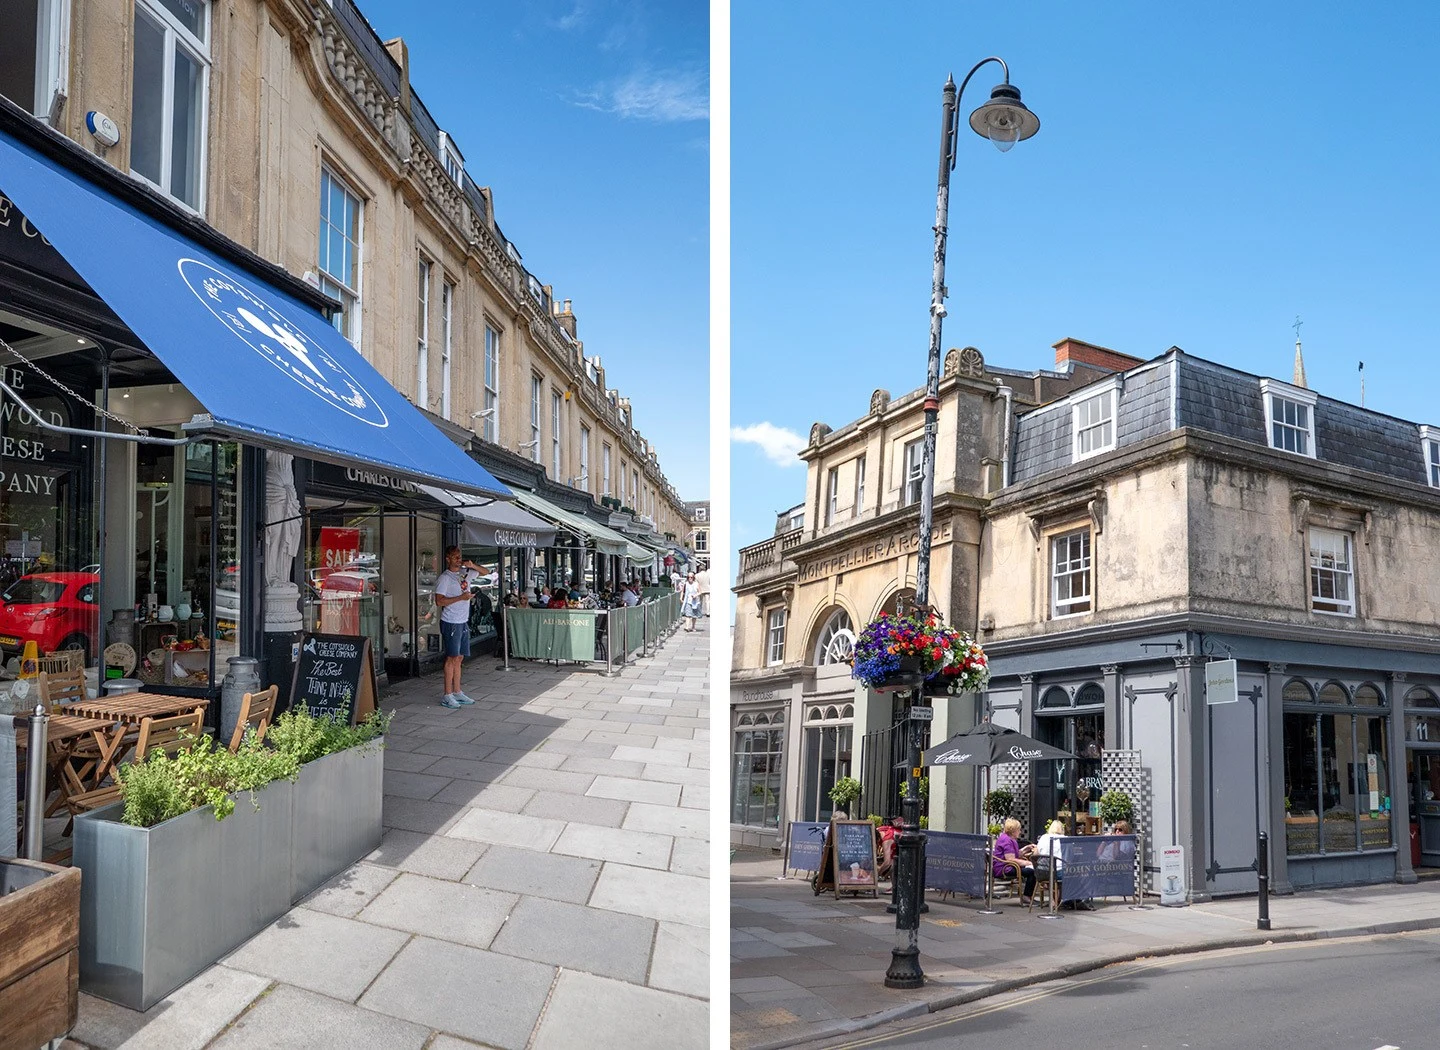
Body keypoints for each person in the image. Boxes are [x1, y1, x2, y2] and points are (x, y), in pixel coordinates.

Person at [433, 546, 481, 709]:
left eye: (459, 557)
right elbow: (439, 601)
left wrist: (472, 565)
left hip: (463, 620)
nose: (458, 560)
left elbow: (485, 573)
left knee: (459, 657)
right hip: (451, 621)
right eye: (454, 557)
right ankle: (447, 694)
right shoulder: (445, 578)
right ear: (447, 559)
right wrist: (461, 597)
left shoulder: (463, 574)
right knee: (451, 657)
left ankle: (458, 691)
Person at [993, 817, 1035, 903]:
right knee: (1033, 872)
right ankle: (1026, 896)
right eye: (1019, 829)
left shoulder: (1009, 839)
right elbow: (1011, 859)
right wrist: (1028, 863)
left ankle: (1028, 896)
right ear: (1013, 831)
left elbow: (1014, 854)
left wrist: (1026, 849)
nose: (1020, 832)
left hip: (1007, 866)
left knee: (1031, 870)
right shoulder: (1007, 841)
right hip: (1004, 868)